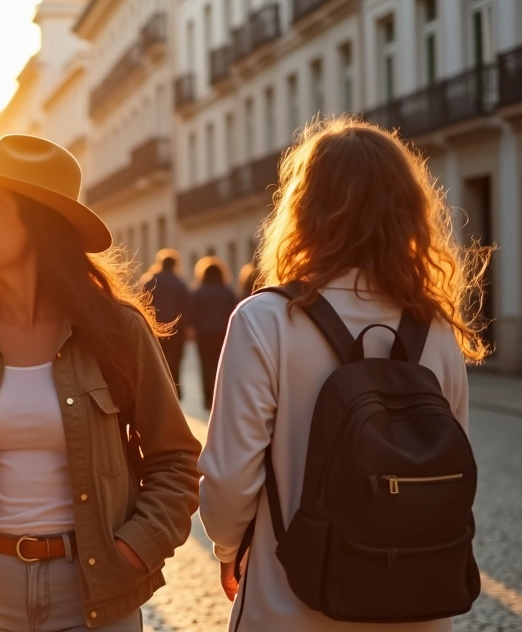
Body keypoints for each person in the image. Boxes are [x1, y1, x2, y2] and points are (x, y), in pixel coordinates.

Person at [199, 117, 489, 631]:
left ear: (305, 210)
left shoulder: (266, 321)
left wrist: (228, 547)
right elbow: (453, 466)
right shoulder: (438, 329)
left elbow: (228, 479)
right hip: (418, 606)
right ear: (408, 212)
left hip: (289, 607)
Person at [0, 134, 202, 631]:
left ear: (36, 219)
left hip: (95, 592)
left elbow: (176, 460)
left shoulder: (117, 330)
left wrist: (137, 547)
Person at [185, 257, 239, 410]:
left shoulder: (198, 291)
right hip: (223, 333)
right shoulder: (227, 291)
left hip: (204, 333)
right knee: (220, 364)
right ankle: (219, 396)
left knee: (205, 365)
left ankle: (207, 398)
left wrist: (191, 329)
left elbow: (192, 312)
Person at [141, 249, 189, 397]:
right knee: (175, 358)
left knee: (156, 357)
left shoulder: (150, 280)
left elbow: (142, 303)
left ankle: (158, 387)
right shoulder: (180, 283)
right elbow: (186, 307)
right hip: (176, 328)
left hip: (154, 326)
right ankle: (175, 387)